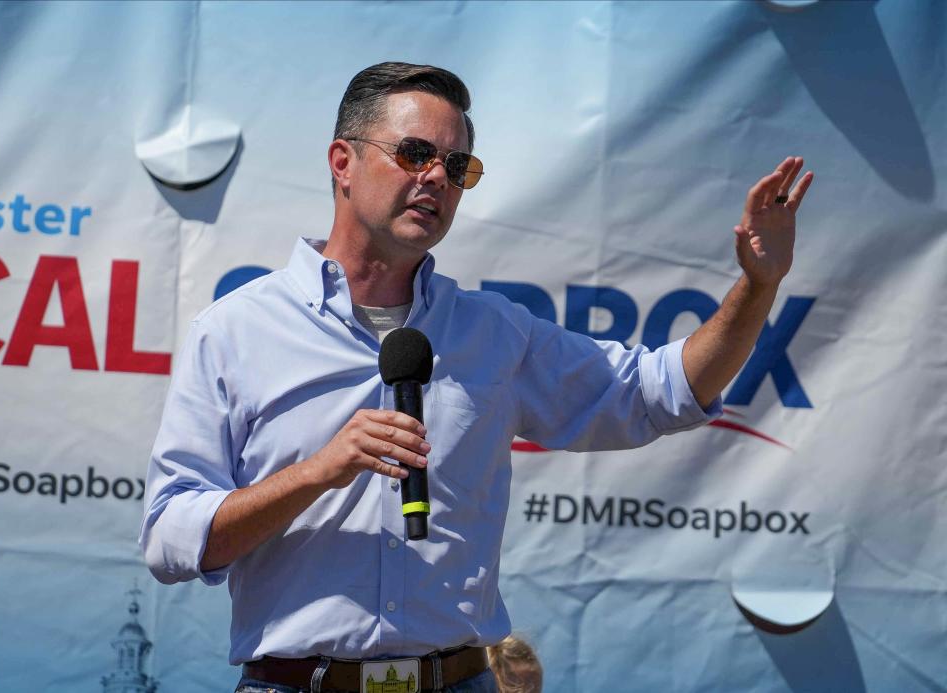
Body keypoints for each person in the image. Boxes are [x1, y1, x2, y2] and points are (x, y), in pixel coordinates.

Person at [140, 62, 813, 693]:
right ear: (342, 163)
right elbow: (171, 536)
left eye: (456, 165)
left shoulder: (494, 333)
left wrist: (758, 287)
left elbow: (657, 391)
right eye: (414, 154)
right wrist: (317, 472)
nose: (436, 177)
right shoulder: (236, 330)